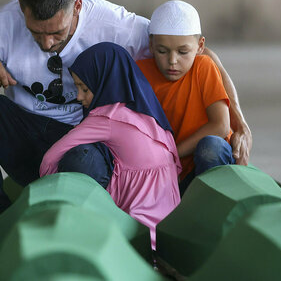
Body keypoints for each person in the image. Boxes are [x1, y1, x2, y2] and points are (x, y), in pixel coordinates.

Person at [0, 0, 250, 222]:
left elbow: (197, 52)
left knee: (83, 159)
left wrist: (237, 119)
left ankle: (90, 221)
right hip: (27, 133)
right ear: (22, 9)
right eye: (37, 32)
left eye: (57, 32)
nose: (48, 43)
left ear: (76, 8)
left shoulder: (115, 24)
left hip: (89, 143)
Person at [40, 42, 181, 248]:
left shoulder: (106, 117)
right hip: (169, 210)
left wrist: (47, 187)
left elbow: (53, 155)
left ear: (103, 82)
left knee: (80, 159)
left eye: (85, 88)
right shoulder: (151, 113)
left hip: (136, 215)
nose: (79, 97)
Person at [137, 0, 235, 194]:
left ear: (200, 46)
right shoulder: (140, 72)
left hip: (203, 164)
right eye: (162, 51)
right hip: (163, 171)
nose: (172, 61)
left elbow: (221, 126)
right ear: (151, 45)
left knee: (210, 148)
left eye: (183, 52)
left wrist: (172, 154)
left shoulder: (204, 67)